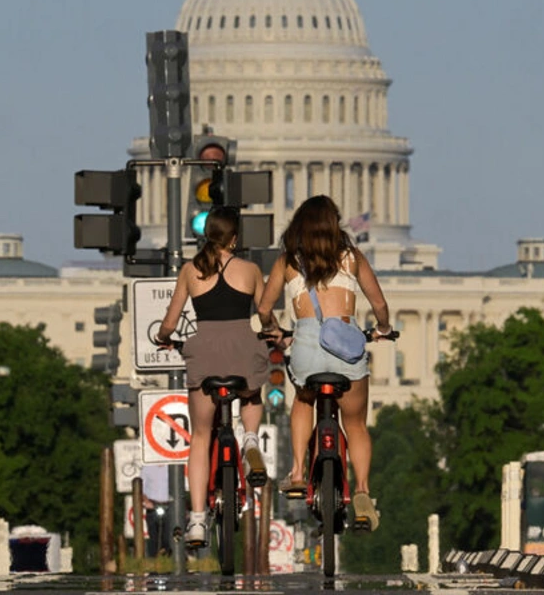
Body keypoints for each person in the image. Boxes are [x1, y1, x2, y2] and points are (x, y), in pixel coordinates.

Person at [257, 195, 392, 530]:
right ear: (334, 225)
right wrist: (383, 330)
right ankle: (361, 489)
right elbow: (379, 304)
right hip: (346, 348)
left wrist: (274, 330)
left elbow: (263, 308)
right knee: (356, 424)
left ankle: (299, 471)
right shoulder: (351, 258)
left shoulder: (287, 262)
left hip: (305, 348)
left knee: (303, 400)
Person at [156, 206, 269, 547]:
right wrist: (276, 333)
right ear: (234, 239)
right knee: (252, 392)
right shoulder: (250, 270)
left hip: (203, 352)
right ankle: (250, 439)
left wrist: (163, 338)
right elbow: (266, 317)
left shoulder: (191, 270)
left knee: (201, 437)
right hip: (242, 348)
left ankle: (196, 521)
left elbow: (171, 321)